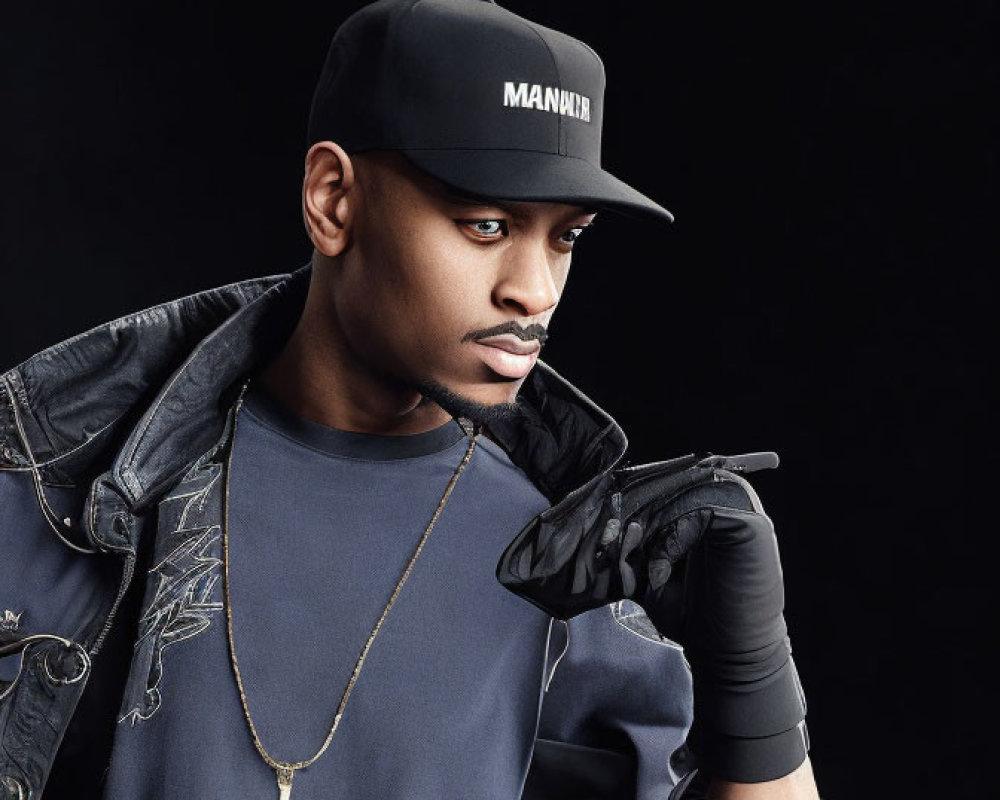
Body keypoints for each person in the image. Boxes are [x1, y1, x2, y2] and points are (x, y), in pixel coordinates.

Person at [0, 1, 820, 798]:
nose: (534, 291)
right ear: (333, 199)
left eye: (565, 236)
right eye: (487, 225)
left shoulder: (574, 565)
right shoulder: (66, 492)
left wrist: (752, 674)